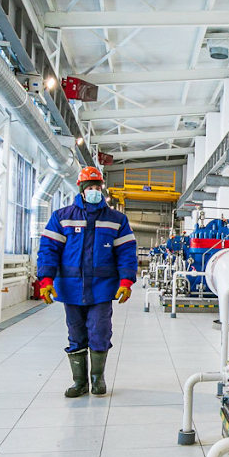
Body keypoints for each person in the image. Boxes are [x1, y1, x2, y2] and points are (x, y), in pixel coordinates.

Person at [36, 166, 138, 397]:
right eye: (89, 187)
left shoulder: (117, 219)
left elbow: (126, 252)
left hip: (102, 289)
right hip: (71, 288)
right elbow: (48, 250)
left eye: (97, 187)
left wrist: (126, 281)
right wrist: (46, 280)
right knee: (76, 334)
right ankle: (79, 382)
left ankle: (97, 378)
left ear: (102, 189)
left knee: (100, 331)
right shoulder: (62, 217)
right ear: (81, 189)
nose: (94, 191)